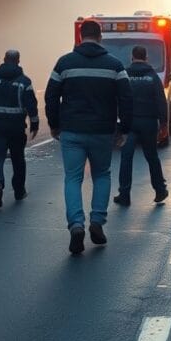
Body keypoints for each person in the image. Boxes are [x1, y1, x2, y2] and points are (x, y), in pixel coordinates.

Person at [45, 20, 133, 254]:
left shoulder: (64, 63)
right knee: (101, 175)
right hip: (102, 132)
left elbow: (51, 96)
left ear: (80, 37)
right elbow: (126, 98)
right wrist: (124, 129)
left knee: (73, 178)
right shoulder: (115, 65)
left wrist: (54, 125)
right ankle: (97, 222)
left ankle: (76, 225)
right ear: (100, 36)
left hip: (72, 131)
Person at [0, 50, 39, 208]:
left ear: (4, 60)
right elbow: (31, 105)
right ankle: (19, 191)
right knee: (18, 159)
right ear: (18, 61)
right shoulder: (24, 82)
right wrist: (34, 124)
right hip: (17, 127)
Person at [114, 45, 168, 206]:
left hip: (129, 123)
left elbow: (118, 99)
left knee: (126, 158)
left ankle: (124, 195)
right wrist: (164, 124)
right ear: (146, 58)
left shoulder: (125, 75)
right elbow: (161, 101)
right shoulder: (152, 76)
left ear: (132, 57)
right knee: (152, 157)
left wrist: (117, 123)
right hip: (149, 123)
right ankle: (160, 190)